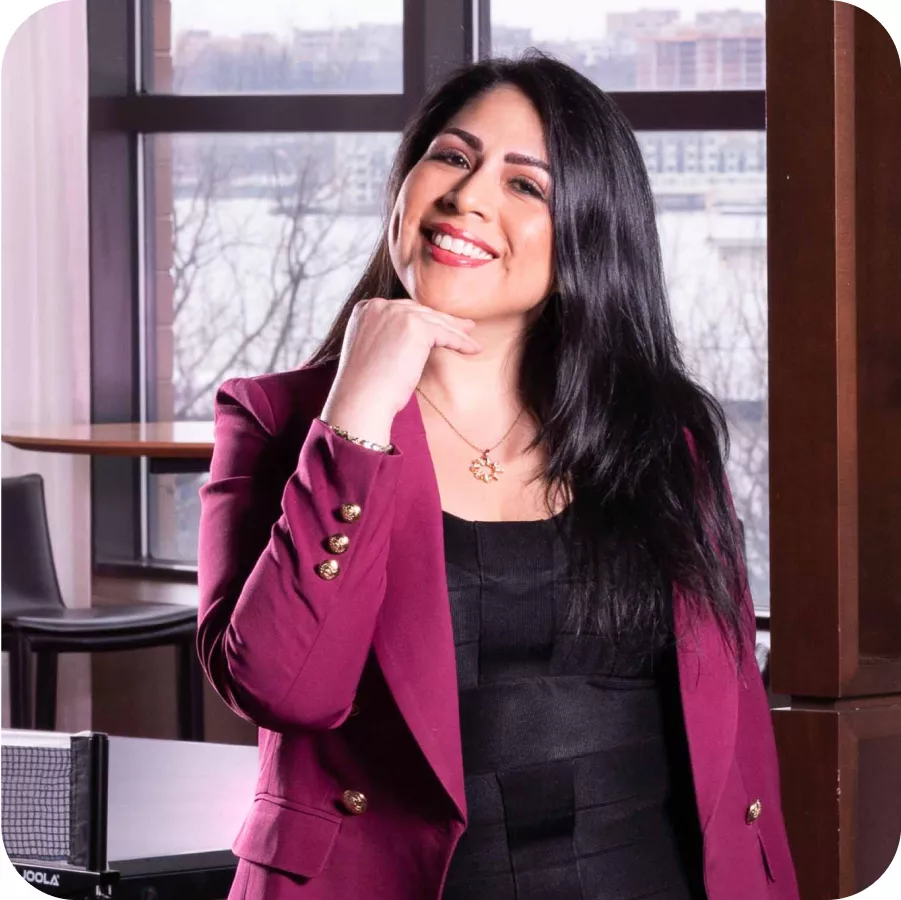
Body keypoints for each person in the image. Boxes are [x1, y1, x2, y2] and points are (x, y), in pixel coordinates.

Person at [196, 52, 801, 900]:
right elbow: (283, 689)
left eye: (526, 185)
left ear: (588, 229)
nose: (467, 196)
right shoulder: (275, 422)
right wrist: (356, 415)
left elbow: (733, 733)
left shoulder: (661, 435)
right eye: (450, 156)